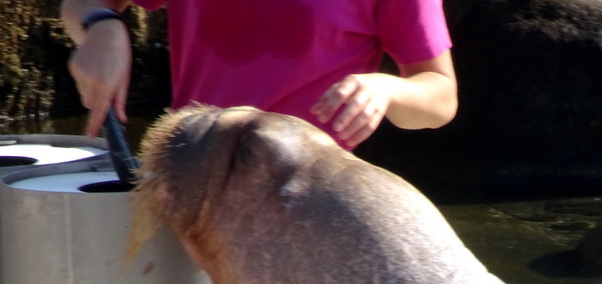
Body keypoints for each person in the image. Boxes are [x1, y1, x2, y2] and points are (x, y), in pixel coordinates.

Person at [60, 0, 458, 149]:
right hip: (191, 174)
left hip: (310, 198)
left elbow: (441, 97)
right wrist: (102, 24)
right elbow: (82, 3)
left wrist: (386, 89)